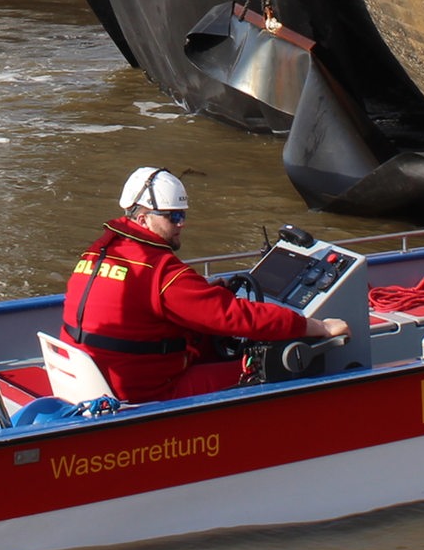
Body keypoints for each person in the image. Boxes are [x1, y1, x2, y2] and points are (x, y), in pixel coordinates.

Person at [62, 166, 349, 401]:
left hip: (95, 376)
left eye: (183, 215)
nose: (181, 223)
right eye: (173, 216)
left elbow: (150, 308)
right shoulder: (161, 271)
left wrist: (207, 292)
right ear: (143, 219)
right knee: (272, 367)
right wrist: (317, 327)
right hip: (144, 391)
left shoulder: (98, 251)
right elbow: (235, 316)